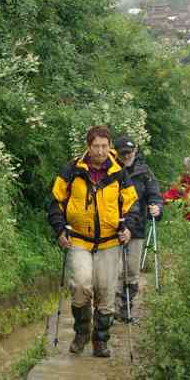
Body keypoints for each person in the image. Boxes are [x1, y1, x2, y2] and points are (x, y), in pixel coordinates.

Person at [47, 125, 142, 357]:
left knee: (106, 291)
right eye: (96, 146)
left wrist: (128, 228)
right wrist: (60, 230)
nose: (100, 151)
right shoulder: (71, 170)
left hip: (110, 242)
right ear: (88, 146)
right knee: (80, 285)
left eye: (104, 146)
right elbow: (54, 202)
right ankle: (81, 333)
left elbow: (132, 204)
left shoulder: (119, 172)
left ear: (109, 146)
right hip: (79, 239)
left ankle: (100, 340)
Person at [113, 136, 162, 322]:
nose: (127, 156)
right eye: (123, 153)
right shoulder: (110, 170)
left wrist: (156, 206)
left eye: (130, 152)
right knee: (113, 270)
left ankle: (125, 308)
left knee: (132, 271)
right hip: (112, 229)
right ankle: (109, 309)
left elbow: (154, 193)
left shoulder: (144, 171)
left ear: (136, 151)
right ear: (116, 153)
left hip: (137, 228)